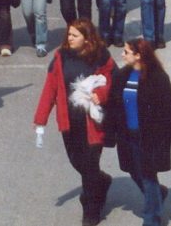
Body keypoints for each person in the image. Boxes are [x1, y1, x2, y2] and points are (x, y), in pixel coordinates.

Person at [33, 19, 115, 226]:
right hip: (69, 121)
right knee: (77, 162)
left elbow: (113, 80)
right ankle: (102, 180)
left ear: (87, 40)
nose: (69, 38)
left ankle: (91, 210)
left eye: (74, 35)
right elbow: (50, 87)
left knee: (88, 165)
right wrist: (40, 119)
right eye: (69, 34)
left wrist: (101, 94)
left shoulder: (101, 56)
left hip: (93, 123)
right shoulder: (60, 56)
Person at [107, 39, 171, 226]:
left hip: (151, 138)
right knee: (134, 171)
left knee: (148, 176)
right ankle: (158, 194)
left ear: (138, 55)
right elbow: (113, 106)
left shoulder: (158, 77)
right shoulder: (121, 75)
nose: (122, 54)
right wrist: (110, 134)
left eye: (126, 52)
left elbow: (170, 108)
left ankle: (153, 218)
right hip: (128, 136)